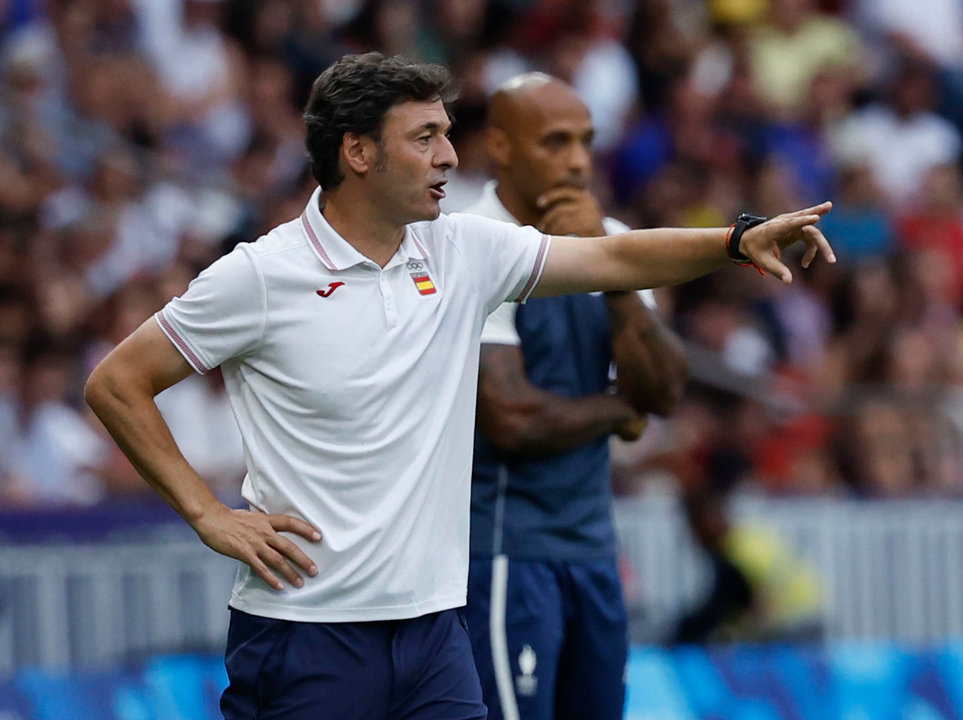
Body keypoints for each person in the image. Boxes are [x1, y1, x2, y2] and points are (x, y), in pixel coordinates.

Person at [84, 53, 835, 720]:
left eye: (447, 134)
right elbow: (117, 383)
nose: (448, 155)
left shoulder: (461, 249)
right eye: (424, 138)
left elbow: (614, 260)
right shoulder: (261, 274)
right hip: (307, 631)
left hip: (437, 632)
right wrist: (208, 514)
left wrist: (736, 241)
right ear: (358, 152)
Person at [464, 73, 687, 720]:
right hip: (505, 554)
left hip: (592, 552)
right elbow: (511, 416)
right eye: (556, 142)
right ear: (501, 147)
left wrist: (610, 271)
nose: (579, 161)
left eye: (586, 142)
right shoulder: (470, 244)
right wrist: (620, 411)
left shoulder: (609, 233)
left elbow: (666, 389)